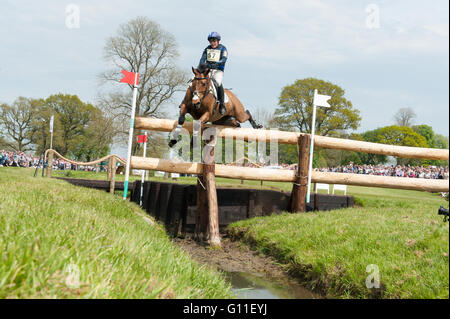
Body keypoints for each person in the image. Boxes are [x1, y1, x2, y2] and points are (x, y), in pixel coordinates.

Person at [198, 31, 228, 115]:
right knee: (197, 80)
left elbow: (224, 59)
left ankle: (222, 104)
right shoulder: (207, 49)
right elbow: (202, 59)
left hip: (218, 70)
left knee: (217, 82)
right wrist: (200, 67)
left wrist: (216, 64)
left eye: (214, 41)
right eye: (211, 41)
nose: (212, 43)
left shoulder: (223, 49)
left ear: (218, 41)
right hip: (207, 69)